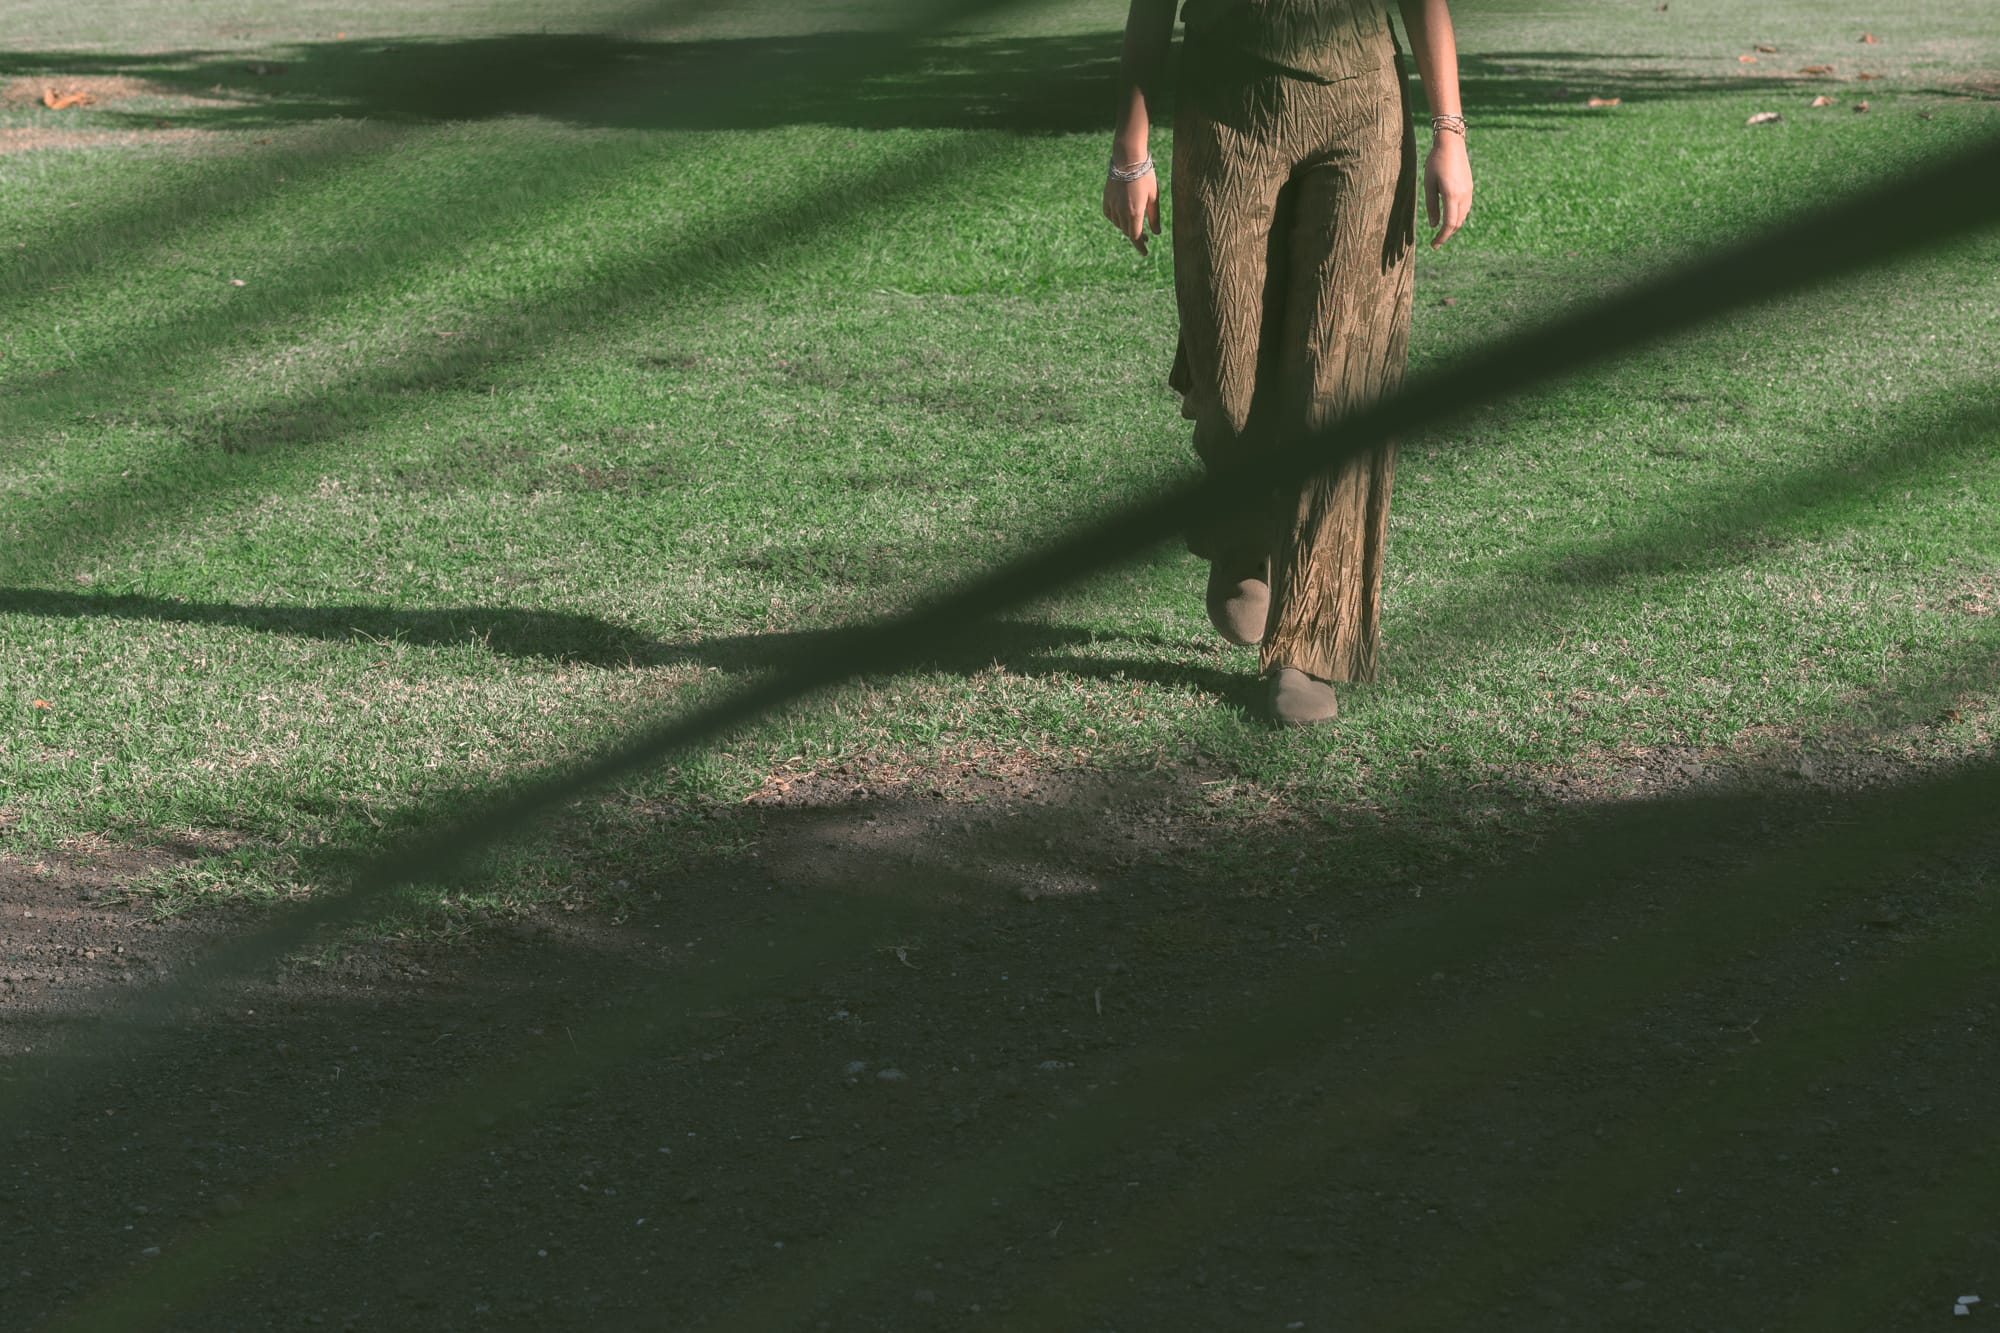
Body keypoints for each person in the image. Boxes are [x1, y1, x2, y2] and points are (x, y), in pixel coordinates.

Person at [1102, 0, 1472, 724]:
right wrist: (1131, 147)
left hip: (1362, 111)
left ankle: (1305, 650)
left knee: (1336, 381)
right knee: (1228, 363)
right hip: (1227, 107)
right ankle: (1242, 525)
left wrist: (1449, 134)